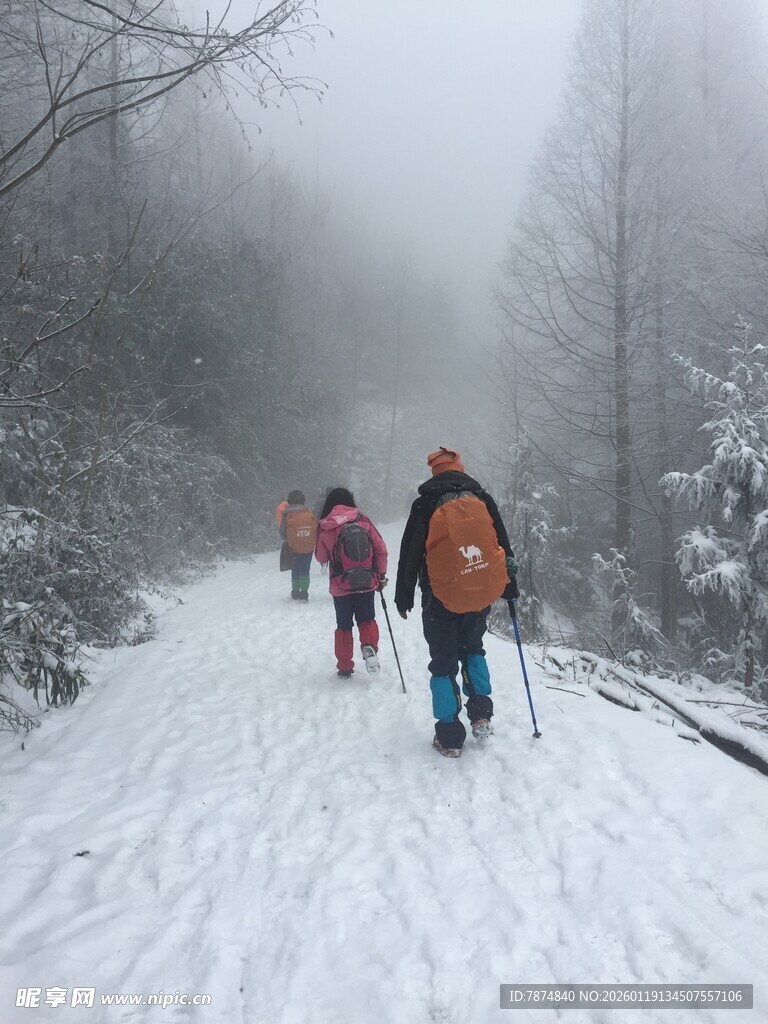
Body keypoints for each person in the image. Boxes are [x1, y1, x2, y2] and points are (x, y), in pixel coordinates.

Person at [395, 447, 519, 757]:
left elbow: (410, 553)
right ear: (460, 467)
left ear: (434, 471)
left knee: (443, 664)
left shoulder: (425, 503)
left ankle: (449, 737)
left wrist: (403, 596)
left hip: (440, 599)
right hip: (478, 594)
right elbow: (502, 544)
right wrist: (509, 587)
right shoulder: (483, 499)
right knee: (474, 650)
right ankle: (480, 715)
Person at [315, 487, 388, 678]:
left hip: (340, 586)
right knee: (366, 619)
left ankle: (345, 665)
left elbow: (321, 558)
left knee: (344, 625)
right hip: (366, 582)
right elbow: (381, 550)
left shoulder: (326, 526)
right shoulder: (363, 521)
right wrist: (380, 575)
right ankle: (369, 646)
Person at [279, 489, 318, 601]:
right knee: (305, 569)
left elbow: (282, 533)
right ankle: (304, 593)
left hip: (293, 547)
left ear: (289, 501)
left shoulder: (287, 515)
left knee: (295, 569)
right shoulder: (309, 513)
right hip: (308, 547)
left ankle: (295, 592)